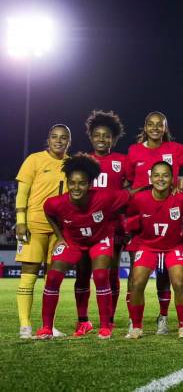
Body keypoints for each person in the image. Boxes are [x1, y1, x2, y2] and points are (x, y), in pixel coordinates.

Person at [38, 154, 130, 339]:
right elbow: (48, 211)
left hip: (100, 240)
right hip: (73, 242)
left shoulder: (105, 197)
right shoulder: (56, 203)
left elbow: (130, 194)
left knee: (101, 275)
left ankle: (105, 326)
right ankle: (47, 327)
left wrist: (152, 185)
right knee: (53, 276)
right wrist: (60, 236)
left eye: (81, 183)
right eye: (72, 183)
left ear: (90, 185)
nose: (76, 187)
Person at [125, 111, 183, 335]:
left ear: (165, 128)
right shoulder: (134, 151)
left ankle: (169, 321)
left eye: (160, 125)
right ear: (145, 127)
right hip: (145, 228)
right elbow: (127, 180)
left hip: (172, 234)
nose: (155, 128)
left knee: (173, 281)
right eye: (151, 125)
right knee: (136, 281)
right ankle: (134, 323)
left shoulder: (174, 149)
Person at [72, 110, 128, 337]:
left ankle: (110, 319)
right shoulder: (82, 161)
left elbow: (133, 188)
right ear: (91, 137)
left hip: (113, 227)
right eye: (97, 135)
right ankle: (83, 320)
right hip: (84, 227)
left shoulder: (122, 161)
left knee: (110, 273)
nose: (102, 139)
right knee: (82, 272)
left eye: (107, 136)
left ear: (113, 138)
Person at [15, 124, 71, 339]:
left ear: (68, 141)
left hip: (59, 231)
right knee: (28, 276)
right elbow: (22, 193)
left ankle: (48, 326)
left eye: (63, 138)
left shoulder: (70, 163)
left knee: (52, 280)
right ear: (48, 139)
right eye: (55, 137)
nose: (59, 141)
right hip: (34, 226)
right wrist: (21, 220)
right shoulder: (34, 159)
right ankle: (25, 326)